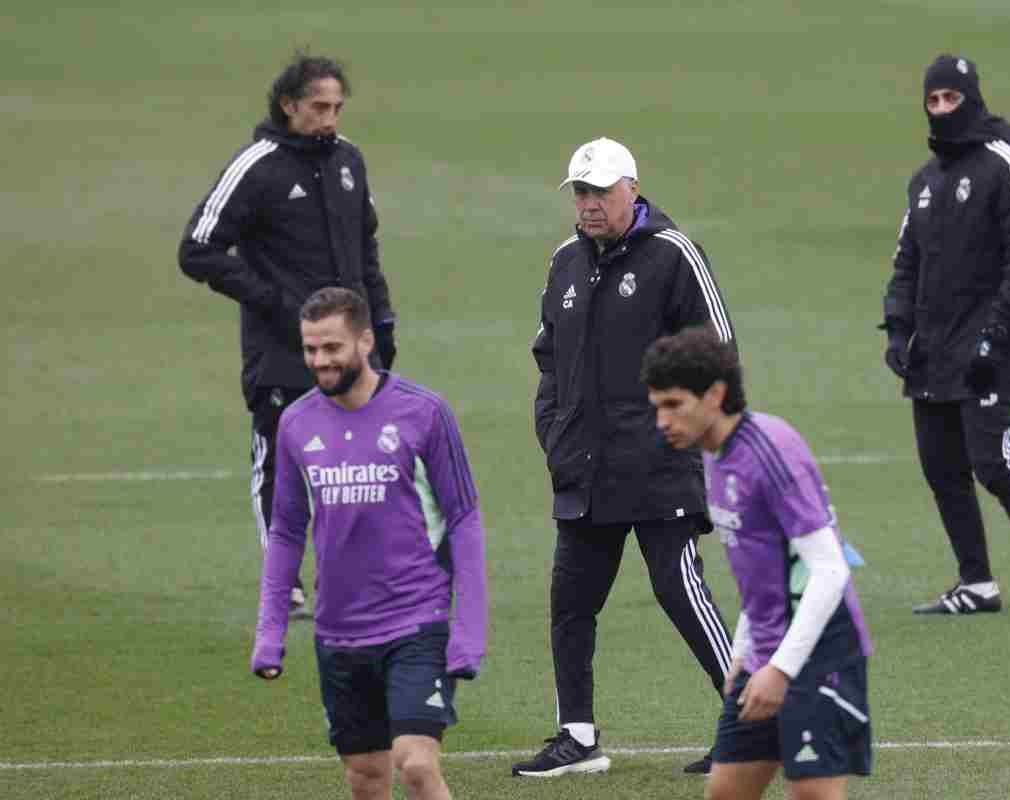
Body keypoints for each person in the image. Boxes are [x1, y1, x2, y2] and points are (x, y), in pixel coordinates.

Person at [514, 137, 736, 777]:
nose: (588, 204)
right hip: (582, 465)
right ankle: (577, 737)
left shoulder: (673, 256)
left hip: (659, 464)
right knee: (571, 601)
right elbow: (549, 357)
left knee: (679, 590)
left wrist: (685, 433)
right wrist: (553, 429)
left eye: (600, 192)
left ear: (632, 189)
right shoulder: (564, 262)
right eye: (580, 192)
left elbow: (717, 352)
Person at [179, 52, 396, 618]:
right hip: (281, 346)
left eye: (337, 108)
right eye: (319, 107)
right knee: (280, 458)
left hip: (352, 346)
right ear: (289, 105)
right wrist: (276, 304)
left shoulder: (349, 161)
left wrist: (383, 322)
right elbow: (197, 249)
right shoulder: (258, 165)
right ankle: (285, 580)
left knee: (354, 460)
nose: (329, 118)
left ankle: (341, 576)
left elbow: (365, 248)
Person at [251, 287, 487, 800]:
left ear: (364, 340)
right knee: (365, 776)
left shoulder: (423, 413)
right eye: (311, 349)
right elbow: (287, 531)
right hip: (337, 634)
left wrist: (467, 632)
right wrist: (270, 632)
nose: (320, 361)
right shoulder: (296, 423)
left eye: (331, 348)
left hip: (416, 622)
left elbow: (464, 519)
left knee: (416, 764)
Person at [881, 54, 1010, 620]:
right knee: (940, 466)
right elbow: (906, 263)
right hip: (934, 351)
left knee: (993, 460)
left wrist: (995, 337)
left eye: (952, 99)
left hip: (991, 348)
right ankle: (978, 583)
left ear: (973, 99)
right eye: (933, 101)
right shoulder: (924, 184)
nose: (943, 110)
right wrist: (898, 329)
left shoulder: (1008, 168)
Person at [642, 327, 873, 800]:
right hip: (766, 655)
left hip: (818, 652)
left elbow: (829, 570)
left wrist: (781, 670)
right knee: (726, 791)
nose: (662, 420)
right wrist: (743, 655)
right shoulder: (713, 456)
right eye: (657, 406)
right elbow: (761, 574)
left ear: (715, 395)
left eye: (674, 404)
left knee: (812, 794)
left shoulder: (770, 450)